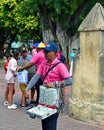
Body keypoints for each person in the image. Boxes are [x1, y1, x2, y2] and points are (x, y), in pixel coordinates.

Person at [26, 42, 73, 130]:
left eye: (47, 52)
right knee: (44, 123)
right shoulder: (44, 64)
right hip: (44, 99)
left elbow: (69, 80)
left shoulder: (60, 66)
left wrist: (54, 84)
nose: (45, 54)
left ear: (54, 53)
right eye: (44, 52)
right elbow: (36, 77)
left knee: (50, 125)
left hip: (54, 100)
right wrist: (27, 89)